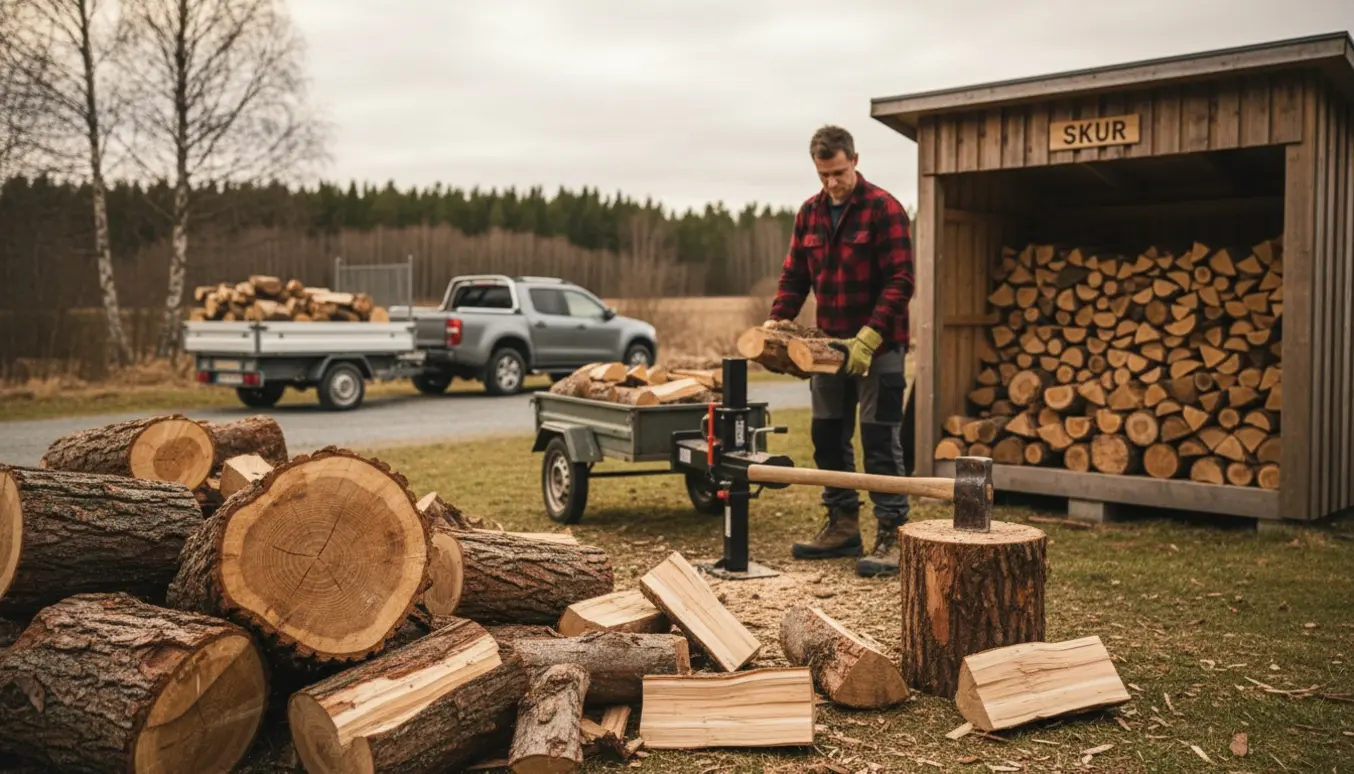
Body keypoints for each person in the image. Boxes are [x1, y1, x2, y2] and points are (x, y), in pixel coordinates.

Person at [763, 124, 916, 578]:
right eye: (823, 174)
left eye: (839, 173)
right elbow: (794, 279)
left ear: (855, 160)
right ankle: (843, 524)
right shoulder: (809, 213)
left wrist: (869, 336)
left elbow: (900, 281)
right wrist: (776, 321)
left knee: (879, 441)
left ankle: (892, 532)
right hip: (827, 349)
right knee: (827, 437)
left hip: (880, 346)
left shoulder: (884, 209)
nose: (831, 183)